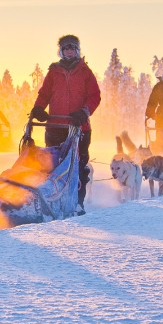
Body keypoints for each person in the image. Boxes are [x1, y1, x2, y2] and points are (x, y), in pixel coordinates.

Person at [30, 34, 101, 215]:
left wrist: (84, 112)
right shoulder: (54, 71)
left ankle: (77, 203)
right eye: (66, 48)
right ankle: (51, 201)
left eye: (72, 48)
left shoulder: (85, 72)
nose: (69, 51)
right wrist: (38, 108)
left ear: (77, 50)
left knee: (78, 166)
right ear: (61, 51)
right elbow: (44, 94)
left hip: (79, 128)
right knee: (51, 166)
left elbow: (95, 96)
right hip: (55, 126)